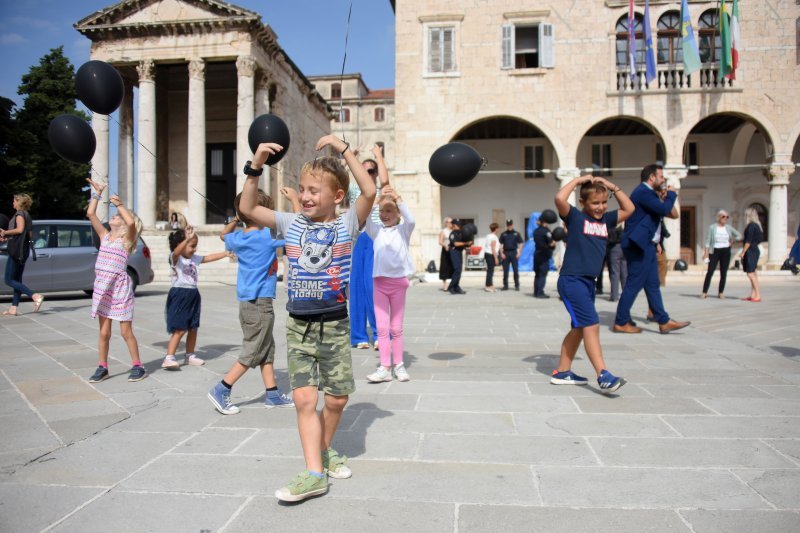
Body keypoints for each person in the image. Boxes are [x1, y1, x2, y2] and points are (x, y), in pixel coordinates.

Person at [238, 134, 375, 502]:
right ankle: (314, 473)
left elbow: (370, 191)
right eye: (303, 189)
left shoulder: (347, 225)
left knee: (337, 400)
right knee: (303, 399)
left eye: (314, 190)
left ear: (337, 197)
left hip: (334, 323)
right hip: (298, 323)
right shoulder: (290, 222)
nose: (307, 196)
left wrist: (343, 150)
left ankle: (324, 451)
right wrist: (256, 165)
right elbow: (249, 207)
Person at [207, 190, 294, 415]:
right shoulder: (267, 236)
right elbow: (297, 228)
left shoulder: (238, 238)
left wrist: (237, 217)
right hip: (259, 301)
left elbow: (222, 236)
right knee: (253, 349)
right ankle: (222, 388)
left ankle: (272, 393)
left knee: (266, 348)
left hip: (247, 302)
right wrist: (294, 201)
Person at [551, 175, 634, 392]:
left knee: (579, 328)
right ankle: (603, 374)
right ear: (583, 203)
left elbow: (629, 208)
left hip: (588, 282)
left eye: (604, 202)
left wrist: (612, 187)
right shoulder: (576, 218)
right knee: (591, 324)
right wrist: (578, 181)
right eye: (595, 203)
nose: (600, 207)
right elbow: (560, 198)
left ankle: (562, 371)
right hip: (572, 280)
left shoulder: (605, 221)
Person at [613, 164, 690, 334]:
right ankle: (621, 321)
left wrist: (664, 197)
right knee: (634, 283)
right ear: (652, 177)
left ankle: (663, 321)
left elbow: (673, 214)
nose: (663, 180)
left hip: (648, 244)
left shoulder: (650, 195)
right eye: (661, 177)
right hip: (638, 245)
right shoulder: (643, 193)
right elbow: (663, 210)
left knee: (652, 284)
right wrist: (670, 194)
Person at [84, 179, 146, 383]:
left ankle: (137, 365)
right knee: (104, 332)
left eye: (117, 216)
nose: (115, 216)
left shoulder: (126, 241)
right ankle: (102, 366)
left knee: (126, 331)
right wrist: (97, 193)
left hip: (120, 289)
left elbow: (130, 223)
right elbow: (91, 214)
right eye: (115, 214)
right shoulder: (105, 236)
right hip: (103, 288)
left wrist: (120, 204)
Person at [364, 185, 416, 383]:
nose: (384, 214)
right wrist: (375, 201)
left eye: (389, 210)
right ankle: (385, 367)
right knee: (382, 328)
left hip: (398, 284)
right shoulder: (376, 231)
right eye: (382, 211)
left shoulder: (404, 230)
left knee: (396, 328)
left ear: (398, 213)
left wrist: (398, 198)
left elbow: (411, 219)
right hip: (379, 284)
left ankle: (399, 365)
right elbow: (366, 219)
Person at [161, 225, 230, 369]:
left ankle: (189, 355)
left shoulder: (194, 259)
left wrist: (225, 253)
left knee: (193, 327)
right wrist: (186, 240)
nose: (194, 249)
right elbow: (177, 251)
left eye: (195, 246)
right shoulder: (175, 258)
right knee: (179, 328)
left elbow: (208, 257)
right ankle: (169, 357)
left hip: (193, 294)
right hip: (180, 294)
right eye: (192, 246)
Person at [349, 145, 388, 350]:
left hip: (376, 237)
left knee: (374, 287)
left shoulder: (381, 191)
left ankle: (381, 334)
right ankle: (358, 336)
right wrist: (351, 156)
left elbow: (385, 179)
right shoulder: (354, 189)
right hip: (357, 237)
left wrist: (379, 157)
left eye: (370, 170)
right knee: (356, 287)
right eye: (363, 170)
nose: (367, 173)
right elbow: (340, 173)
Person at [0, 194, 43, 316]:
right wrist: (8, 238)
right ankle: (13, 308)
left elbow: (19, 230)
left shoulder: (19, 214)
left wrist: (5, 232)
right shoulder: (27, 215)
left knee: (8, 280)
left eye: (14, 200)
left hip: (16, 251)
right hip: (23, 250)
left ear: (19, 202)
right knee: (17, 279)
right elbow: (27, 234)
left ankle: (34, 295)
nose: (12, 202)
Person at [701, 209, 742, 299]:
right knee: (710, 271)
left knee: (723, 272)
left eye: (727, 217)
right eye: (723, 216)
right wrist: (706, 253)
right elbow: (708, 241)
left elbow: (739, 235)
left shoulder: (728, 227)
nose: (725, 218)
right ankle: (704, 292)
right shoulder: (712, 227)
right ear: (718, 217)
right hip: (715, 251)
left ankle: (721, 292)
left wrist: (733, 241)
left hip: (726, 251)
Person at [740, 207, 764, 302]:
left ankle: (758, 295)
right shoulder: (757, 225)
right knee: (753, 273)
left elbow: (748, 241)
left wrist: (743, 252)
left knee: (750, 274)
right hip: (754, 249)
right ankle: (753, 294)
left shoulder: (751, 226)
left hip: (751, 250)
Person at [532, 217, 555, 298]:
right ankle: (540, 292)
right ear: (545, 222)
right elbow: (551, 243)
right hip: (544, 255)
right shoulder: (546, 231)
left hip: (536, 254)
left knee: (537, 274)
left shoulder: (536, 231)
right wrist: (553, 243)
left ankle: (536, 292)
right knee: (542, 274)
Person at [447, 219, 471, 294]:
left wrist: (468, 243)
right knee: (457, 269)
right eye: (458, 225)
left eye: (459, 224)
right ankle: (451, 287)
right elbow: (456, 244)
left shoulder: (461, 233)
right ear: (454, 225)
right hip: (454, 252)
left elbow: (464, 242)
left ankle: (456, 286)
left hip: (459, 252)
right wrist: (465, 243)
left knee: (459, 270)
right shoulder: (452, 234)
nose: (459, 226)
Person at [499, 219, 523, 291]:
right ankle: (505, 285)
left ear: (512, 225)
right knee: (505, 270)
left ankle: (517, 285)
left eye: (510, 225)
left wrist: (519, 253)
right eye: (508, 225)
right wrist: (501, 253)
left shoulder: (516, 234)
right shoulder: (503, 234)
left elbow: (521, 243)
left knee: (515, 270)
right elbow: (501, 244)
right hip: (506, 253)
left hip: (513, 253)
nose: (509, 226)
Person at [607, 224, 627, 302]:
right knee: (624, 272)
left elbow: (610, 239)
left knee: (615, 272)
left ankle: (614, 296)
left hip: (614, 248)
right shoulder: (624, 226)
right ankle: (625, 295)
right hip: (624, 247)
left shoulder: (612, 227)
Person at [438, 217, 454, 291]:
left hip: (453, 251)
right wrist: (445, 245)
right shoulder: (443, 231)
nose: (451, 223)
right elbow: (440, 241)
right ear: (446, 223)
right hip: (446, 250)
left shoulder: (454, 231)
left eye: (452, 222)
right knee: (444, 267)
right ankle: (445, 284)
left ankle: (452, 284)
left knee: (453, 267)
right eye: (450, 222)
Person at [483, 222, 500, 292]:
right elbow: (493, 248)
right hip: (491, 254)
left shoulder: (488, 236)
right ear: (496, 229)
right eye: (498, 228)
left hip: (487, 254)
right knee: (490, 271)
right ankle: (488, 286)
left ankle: (490, 285)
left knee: (489, 270)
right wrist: (496, 258)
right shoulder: (494, 237)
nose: (498, 230)